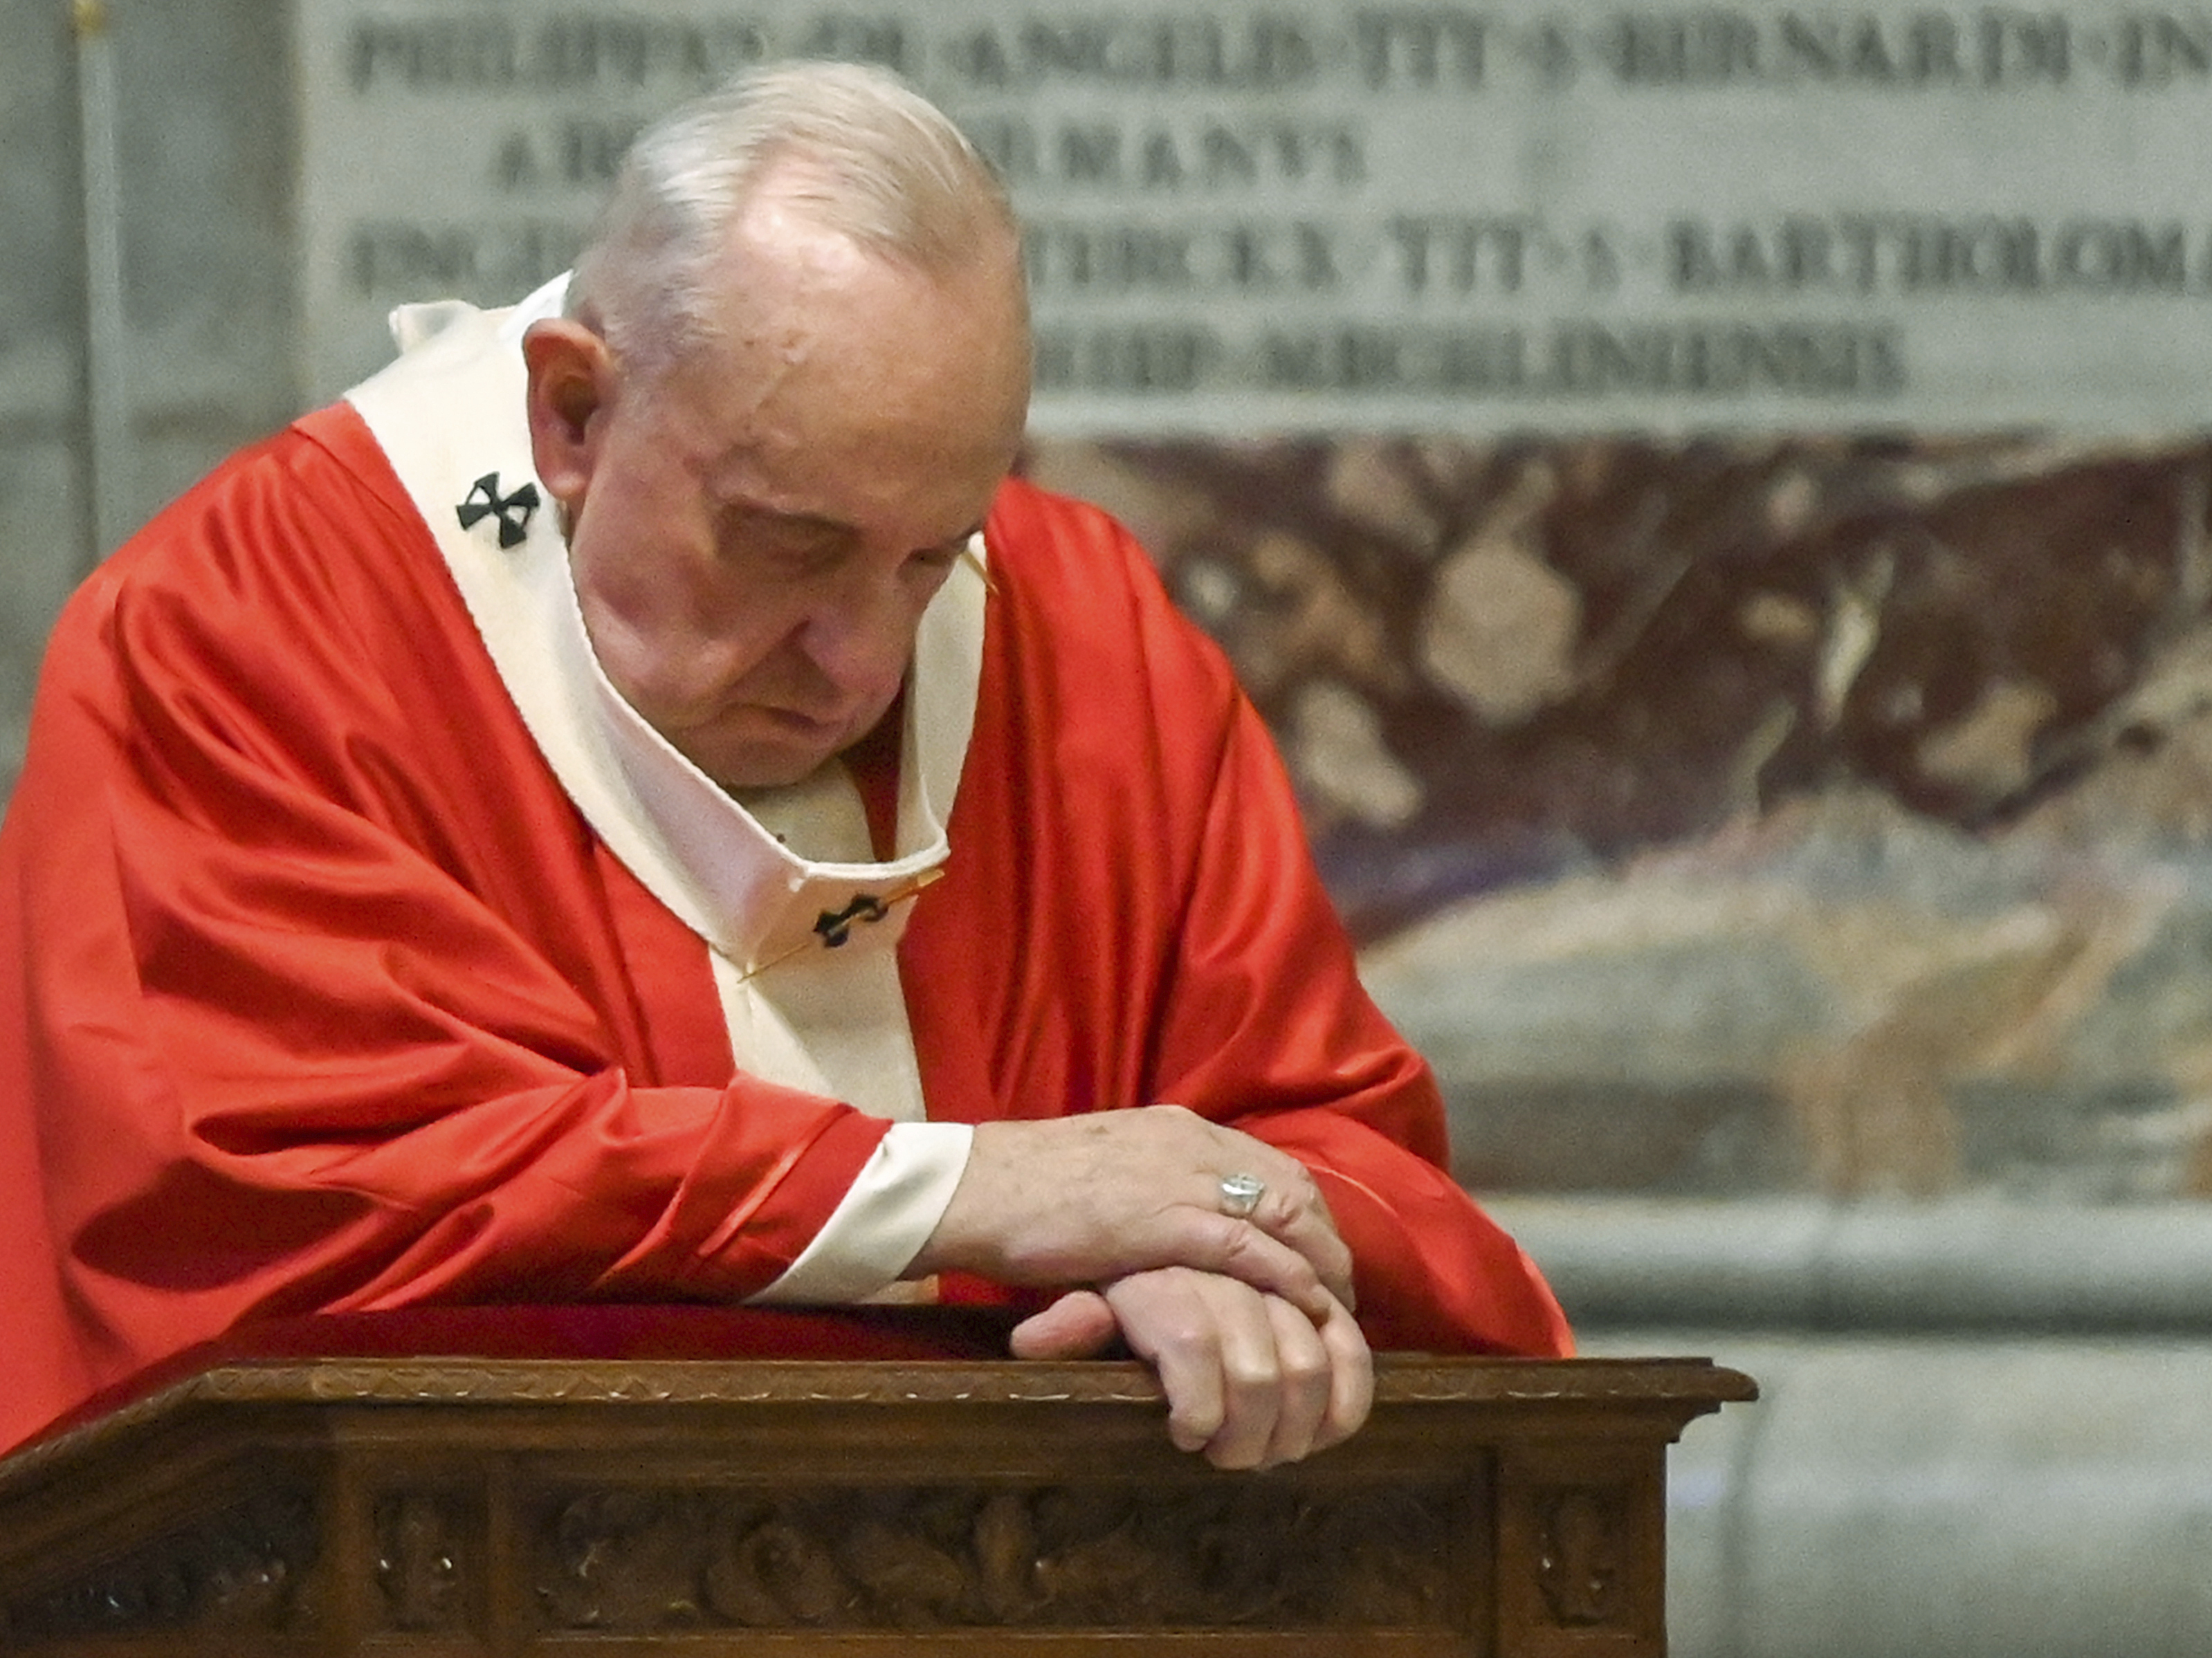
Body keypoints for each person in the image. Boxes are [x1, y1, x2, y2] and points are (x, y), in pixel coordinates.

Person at [0, 61, 1567, 1468]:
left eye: (929, 556)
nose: (864, 661)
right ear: (573, 412)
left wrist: (1206, 1252)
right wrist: (990, 1197)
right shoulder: (250, 632)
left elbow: (1329, 1152)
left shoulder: (1081, 628)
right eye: (789, 546)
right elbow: (308, 1193)